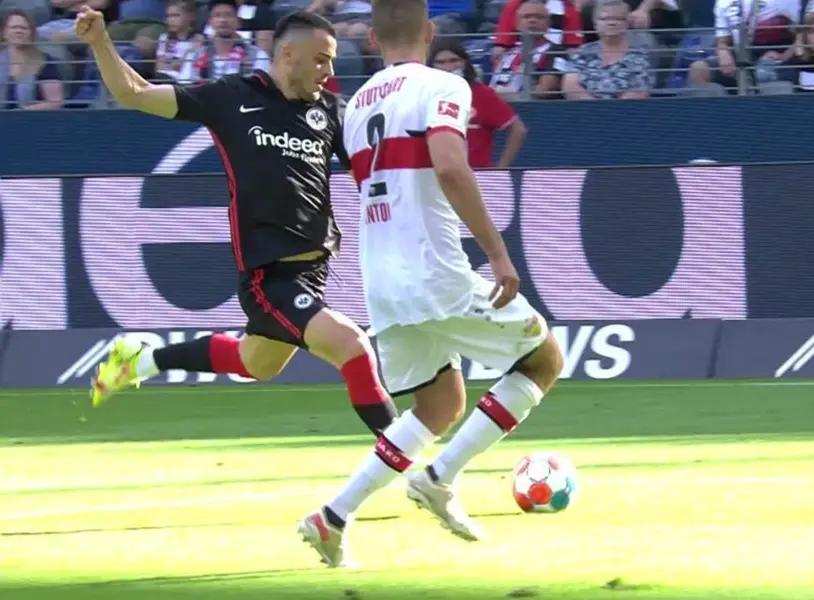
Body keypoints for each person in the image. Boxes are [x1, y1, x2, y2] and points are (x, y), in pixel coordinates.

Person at [297, 0, 565, 566]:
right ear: (431, 31)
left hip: (383, 279)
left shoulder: (356, 107)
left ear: (371, 37)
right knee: (545, 358)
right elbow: (448, 165)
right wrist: (497, 253)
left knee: (439, 404)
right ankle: (439, 477)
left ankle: (333, 516)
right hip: (434, 270)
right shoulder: (442, 85)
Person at [76, 7, 400, 438]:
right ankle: (411, 465)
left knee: (256, 364)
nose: (330, 69)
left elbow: (370, 173)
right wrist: (99, 41)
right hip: (269, 276)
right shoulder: (232, 96)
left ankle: (141, 359)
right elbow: (134, 92)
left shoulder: (330, 112)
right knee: (354, 349)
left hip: (314, 272)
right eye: (322, 58)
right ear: (288, 54)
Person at [428, 37, 527, 169]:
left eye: (454, 60)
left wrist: (501, 169)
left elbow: (518, 129)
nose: (448, 67)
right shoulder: (424, 95)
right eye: (441, 62)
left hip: (476, 176)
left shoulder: (482, 94)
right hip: (432, 176)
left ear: (465, 62)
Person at [1, 9, 65, 110]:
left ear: (31, 33)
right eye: (14, 27)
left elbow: (55, 102)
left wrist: (25, 111)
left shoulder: (44, 62)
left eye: (24, 28)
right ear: (4, 33)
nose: (19, 31)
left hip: (30, 120)